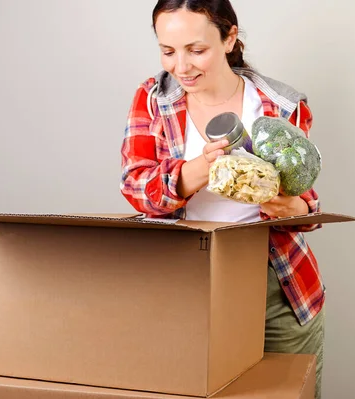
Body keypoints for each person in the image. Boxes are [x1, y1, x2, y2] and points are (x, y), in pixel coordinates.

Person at [120, 1, 325, 397]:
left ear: (230, 37)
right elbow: (134, 187)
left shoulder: (282, 105)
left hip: (277, 281)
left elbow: (304, 197)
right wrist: (192, 172)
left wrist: (297, 209)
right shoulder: (153, 99)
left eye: (196, 50)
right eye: (168, 51)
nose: (181, 67)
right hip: (184, 278)